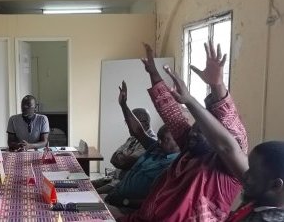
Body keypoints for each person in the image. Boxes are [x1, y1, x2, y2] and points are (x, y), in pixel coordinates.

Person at [120, 41, 248, 221]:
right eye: (194, 128)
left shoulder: (225, 169)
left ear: (215, 137)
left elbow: (233, 140)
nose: (193, 133)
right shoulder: (189, 149)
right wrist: (153, 72)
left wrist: (217, 86)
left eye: (201, 131)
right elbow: (169, 110)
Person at [163, 59, 284, 222]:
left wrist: (215, 90)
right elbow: (228, 147)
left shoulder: (269, 218)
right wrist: (199, 95)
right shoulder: (259, 201)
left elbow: (231, 144)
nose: (244, 175)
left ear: (276, 185)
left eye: (253, 174)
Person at [92, 81, 158, 194]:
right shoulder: (133, 138)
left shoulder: (152, 142)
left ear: (145, 123)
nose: (128, 126)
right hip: (114, 178)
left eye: (131, 122)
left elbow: (122, 162)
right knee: (85, 186)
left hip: (123, 183)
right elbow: (114, 158)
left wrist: (122, 158)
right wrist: (121, 158)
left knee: (92, 195)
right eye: (127, 122)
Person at [105, 125, 179, 218]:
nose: (159, 142)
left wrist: (124, 201)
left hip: (129, 209)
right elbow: (137, 131)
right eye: (159, 138)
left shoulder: (174, 166)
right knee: (83, 201)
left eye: (165, 139)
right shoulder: (155, 150)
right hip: (115, 197)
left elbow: (154, 203)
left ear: (178, 140)